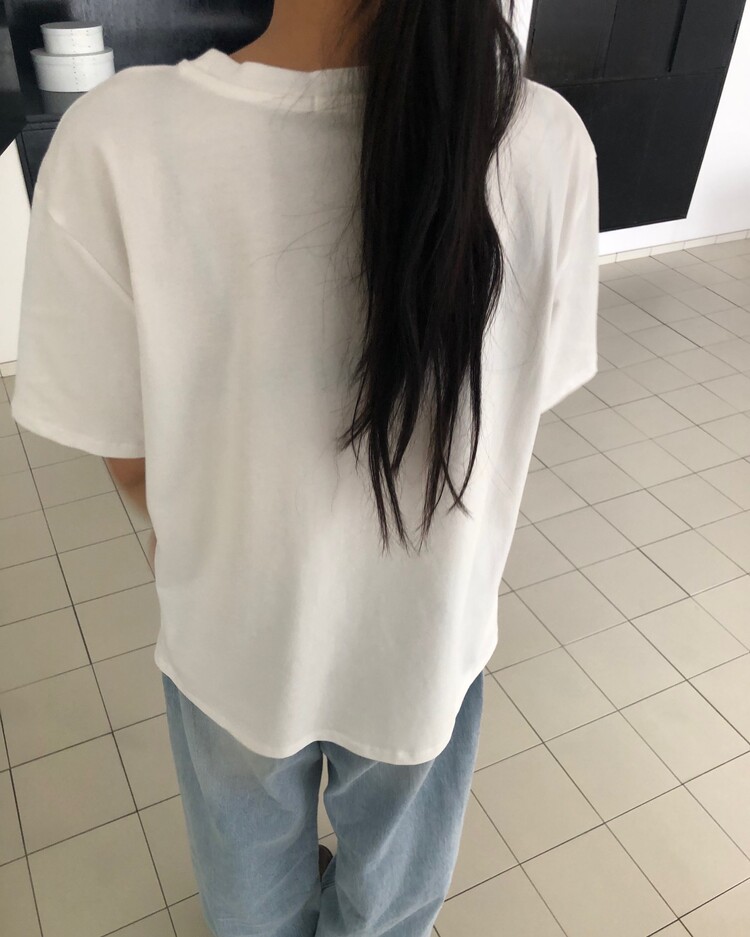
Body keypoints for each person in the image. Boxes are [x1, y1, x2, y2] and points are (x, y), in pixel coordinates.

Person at [10, 0, 599, 934]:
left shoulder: (115, 139)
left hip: (232, 633)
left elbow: (127, 451)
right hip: (426, 636)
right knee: (392, 901)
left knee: (248, 891)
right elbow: (522, 399)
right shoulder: (546, 139)